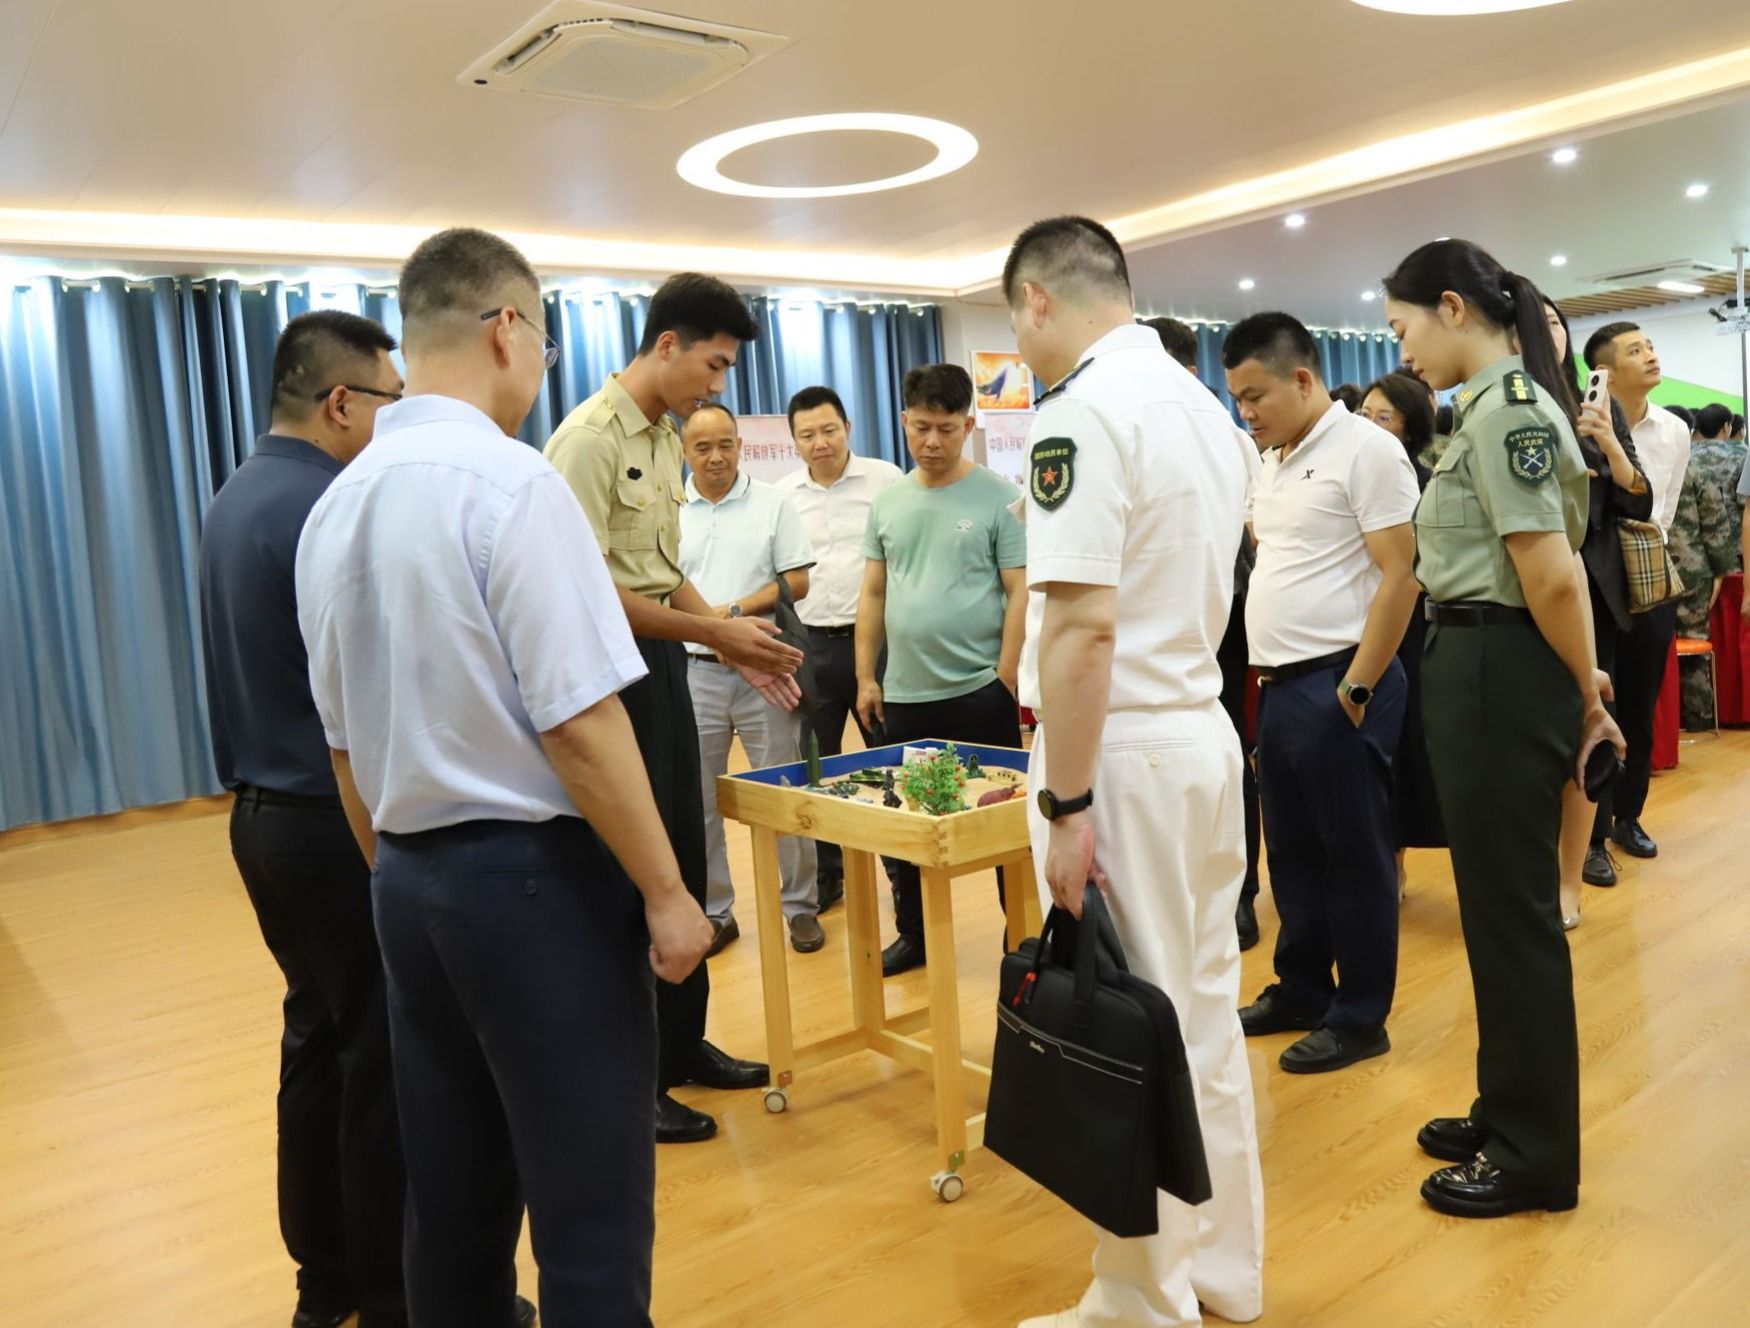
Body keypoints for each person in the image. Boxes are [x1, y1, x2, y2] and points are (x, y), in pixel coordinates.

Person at [295, 228, 713, 1326]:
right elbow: (579, 721)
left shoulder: (334, 504)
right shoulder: (512, 483)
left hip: (407, 882)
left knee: (453, 1201)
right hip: (535, 888)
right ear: (505, 329)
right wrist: (667, 891)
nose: (540, 367)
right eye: (544, 343)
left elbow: (343, 744)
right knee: (588, 1210)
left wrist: (398, 871)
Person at [1007, 216, 1262, 1328]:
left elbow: (1082, 629)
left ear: (1036, 300)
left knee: (1129, 1027)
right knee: (1200, 1013)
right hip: (1199, 733)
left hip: (1121, 749)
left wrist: (1067, 805)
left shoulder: (1082, 411)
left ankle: (1141, 1299)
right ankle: (1223, 1270)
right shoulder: (1205, 409)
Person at [1383, 237, 1624, 1218]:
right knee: (1490, 906)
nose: (1401, 349)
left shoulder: (1510, 411)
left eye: (1402, 326)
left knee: (1512, 914)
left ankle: (1534, 1155)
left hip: (1499, 665)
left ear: (1451, 307)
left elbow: (1552, 574)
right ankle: (1506, 1107)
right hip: (1478, 659)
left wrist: (1588, 695)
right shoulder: (1483, 409)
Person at [544, 272, 798, 1144]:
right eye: (714, 365)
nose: (718, 385)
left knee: (684, 849)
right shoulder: (586, 442)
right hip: (609, 672)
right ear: (666, 346)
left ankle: (683, 1045)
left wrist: (727, 632)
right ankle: (634, 1075)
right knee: (633, 870)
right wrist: (715, 634)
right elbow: (585, 594)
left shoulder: (660, 435)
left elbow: (659, 571)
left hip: (660, 658)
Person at [198, 311, 410, 1328]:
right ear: (340, 403)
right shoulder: (332, 506)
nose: (396, 422)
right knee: (381, 1060)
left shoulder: (237, 494)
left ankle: (324, 1284)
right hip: (334, 823)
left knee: (317, 1043)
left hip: (261, 822)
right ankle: (395, 1292)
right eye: (391, 402)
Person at [1226, 312, 1420, 1076]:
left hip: (1341, 682)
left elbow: (1402, 573)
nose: (1246, 412)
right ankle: (1303, 990)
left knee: (1356, 858)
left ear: (1302, 379)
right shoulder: (1273, 458)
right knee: (1293, 854)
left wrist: (1359, 686)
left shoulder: (1367, 450)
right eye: (1237, 399)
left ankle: (1362, 1017)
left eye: (1255, 396)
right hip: (1279, 687)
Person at [855, 363, 1027, 977]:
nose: (932, 442)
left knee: (1003, 821)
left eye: (946, 429)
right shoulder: (888, 501)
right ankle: (916, 935)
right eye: (921, 427)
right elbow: (873, 592)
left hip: (981, 689)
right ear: (904, 420)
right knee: (907, 824)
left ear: (968, 426)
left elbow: (1019, 589)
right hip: (906, 693)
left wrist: (1006, 673)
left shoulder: (1000, 498)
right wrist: (866, 676)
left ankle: (1022, 937)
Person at [678, 402, 824, 953]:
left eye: (726, 445)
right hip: (695, 672)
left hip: (765, 667)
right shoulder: (671, 510)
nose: (716, 457)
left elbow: (797, 581)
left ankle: (801, 908)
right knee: (699, 800)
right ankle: (717, 912)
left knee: (782, 791)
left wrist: (731, 615)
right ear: (685, 452)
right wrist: (712, 632)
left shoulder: (772, 502)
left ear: (741, 446)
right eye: (702, 447)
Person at [1145, 314, 1265, 950]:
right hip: (1152, 626)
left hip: (1223, 619)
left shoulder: (1228, 439)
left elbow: (1253, 536)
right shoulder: (1129, 434)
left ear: (1189, 372)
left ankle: (1240, 896)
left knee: (1229, 753)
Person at [1540, 298, 1651, 920]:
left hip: (1594, 586)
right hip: (1526, 587)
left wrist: (1607, 440)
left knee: (1594, 717)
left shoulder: (1598, 405)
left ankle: (1591, 847)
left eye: (1556, 322)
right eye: (1537, 323)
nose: (1548, 332)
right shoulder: (1507, 404)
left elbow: (1638, 498)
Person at [775, 386, 904, 912]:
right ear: (794, 442)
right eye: (807, 435)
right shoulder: (781, 496)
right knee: (816, 764)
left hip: (876, 645)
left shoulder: (886, 480)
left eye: (829, 430)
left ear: (847, 428)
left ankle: (901, 872)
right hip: (810, 646)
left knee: (887, 759)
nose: (820, 442)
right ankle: (828, 875)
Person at [1580, 322, 1691, 865]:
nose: (1650, 355)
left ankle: (1628, 816)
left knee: (1641, 705)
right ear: (1603, 370)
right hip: (1594, 584)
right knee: (1598, 704)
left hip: (1648, 578)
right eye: (1634, 350)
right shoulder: (1582, 427)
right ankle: (1591, 834)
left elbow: (1664, 509)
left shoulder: (1674, 429)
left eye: (1650, 346)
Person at [1358, 371, 1447, 883]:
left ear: (1409, 427)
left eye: (1383, 417)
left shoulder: (1427, 483)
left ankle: (1395, 858)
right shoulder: (1351, 475)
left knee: (1401, 744)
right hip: (1355, 622)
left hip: (1410, 624)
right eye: (1364, 414)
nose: (1369, 425)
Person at [1667, 461, 1737, 728]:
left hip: (1650, 565)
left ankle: (1665, 720)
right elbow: (1714, 521)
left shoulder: (1643, 462)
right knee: (1694, 640)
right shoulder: (1694, 469)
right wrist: (1722, 569)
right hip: (1692, 567)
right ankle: (1698, 716)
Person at [1688, 403, 1745, 565]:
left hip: (1695, 547)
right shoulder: (1740, 457)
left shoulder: (1686, 456)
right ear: (1726, 427)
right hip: (1733, 546)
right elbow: (1745, 505)